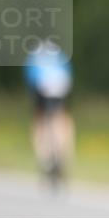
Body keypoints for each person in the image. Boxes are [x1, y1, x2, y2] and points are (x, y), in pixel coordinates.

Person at [23, 40, 74, 187]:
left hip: (41, 88)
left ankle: (44, 157)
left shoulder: (34, 56)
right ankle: (62, 153)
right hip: (61, 87)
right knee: (61, 119)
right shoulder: (59, 54)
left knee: (39, 121)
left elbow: (30, 79)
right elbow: (69, 74)